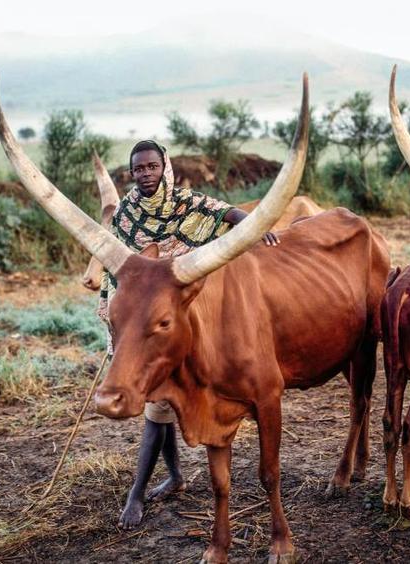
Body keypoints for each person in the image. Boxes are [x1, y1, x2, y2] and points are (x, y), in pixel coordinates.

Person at [97, 140, 279, 529]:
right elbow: (120, 268)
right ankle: (163, 481)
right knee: (160, 406)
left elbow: (220, 212)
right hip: (140, 323)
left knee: (161, 407)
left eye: (151, 167)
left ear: (164, 167)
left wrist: (251, 224)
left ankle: (139, 491)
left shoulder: (183, 201)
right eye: (138, 169)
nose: (145, 174)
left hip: (182, 317)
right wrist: (120, 321)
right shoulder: (126, 213)